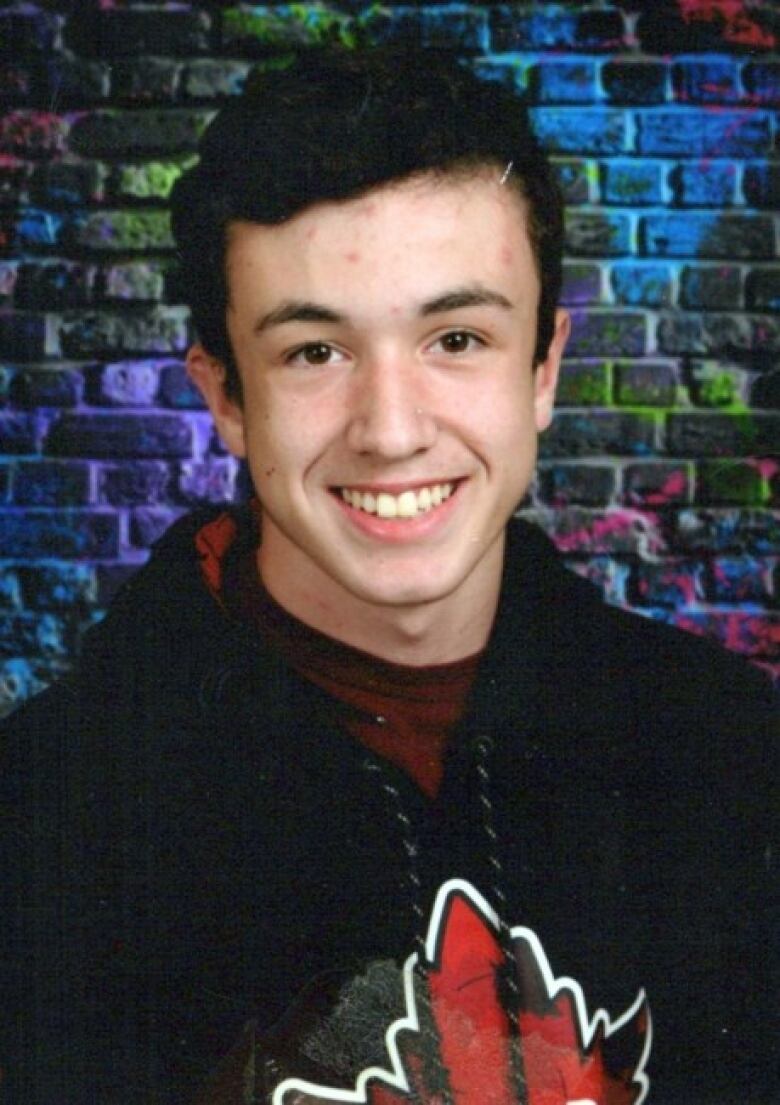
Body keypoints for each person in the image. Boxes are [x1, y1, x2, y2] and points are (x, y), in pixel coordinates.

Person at [1, 49, 776, 1105]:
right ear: (226, 396)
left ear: (543, 369)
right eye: (315, 353)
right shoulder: (48, 813)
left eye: (456, 338)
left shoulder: (734, 756)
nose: (394, 431)